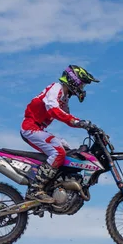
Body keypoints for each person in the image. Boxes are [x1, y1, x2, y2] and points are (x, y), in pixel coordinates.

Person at [21, 65, 99, 203]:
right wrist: (77, 122)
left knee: (68, 149)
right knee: (58, 151)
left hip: (38, 129)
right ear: (73, 80)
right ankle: (35, 189)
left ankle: (55, 184)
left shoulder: (64, 97)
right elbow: (53, 110)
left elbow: (67, 117)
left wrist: (86, 126)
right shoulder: (55, 88)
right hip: (30, 127)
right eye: (81, 84)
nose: (82, 89)